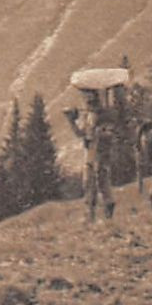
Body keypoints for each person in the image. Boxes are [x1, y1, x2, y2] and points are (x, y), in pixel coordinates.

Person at [64, 86, 120, 223]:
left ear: (95, 97)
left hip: (100, 151)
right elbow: (80, 134)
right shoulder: (88, 115)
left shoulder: (104, 114)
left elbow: (109, 132)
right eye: (85, 96)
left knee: (99, 180)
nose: (87, 99)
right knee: (90, 181)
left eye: (89, 96)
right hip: (90, 151)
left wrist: (98, 132)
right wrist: (71, 120)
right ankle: (93, 214)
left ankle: (104, 213)